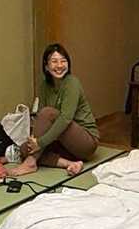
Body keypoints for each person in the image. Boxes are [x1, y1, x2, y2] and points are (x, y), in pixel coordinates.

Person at [24, 43, 99, 177]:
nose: (59, 65)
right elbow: (41, 118)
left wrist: (40, 143)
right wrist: (33, 142)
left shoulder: (72, 83)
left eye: (63, 61)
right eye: (54, 61)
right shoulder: (44, 85)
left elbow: (65, 118)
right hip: (63, 142)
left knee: (48, 113)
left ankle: (30, 163)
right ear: (46, 66)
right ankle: (71, 164)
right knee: (24, 149)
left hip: (85, 142)